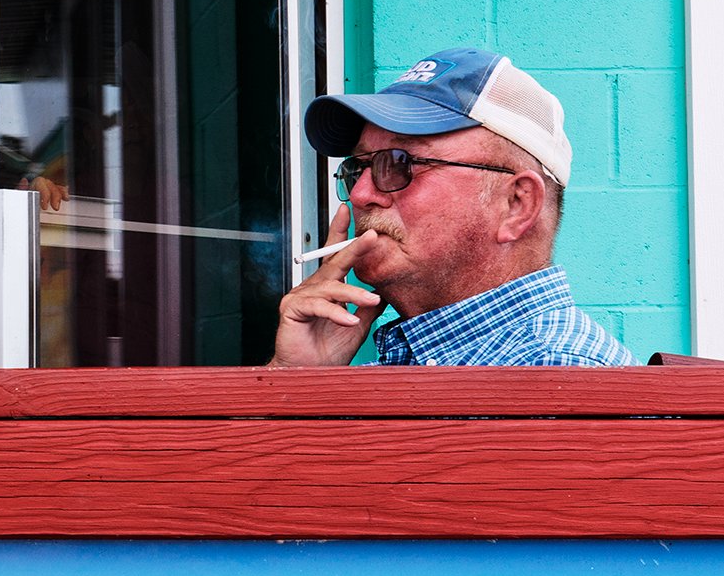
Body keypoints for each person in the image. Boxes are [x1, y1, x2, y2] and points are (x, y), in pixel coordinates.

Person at [270, 47, 634, 368]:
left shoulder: (554, 373)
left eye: (400, 163)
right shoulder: (425, 368)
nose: (362, 194)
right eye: (357, 168)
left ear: (517, 205)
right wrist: (297, 381)